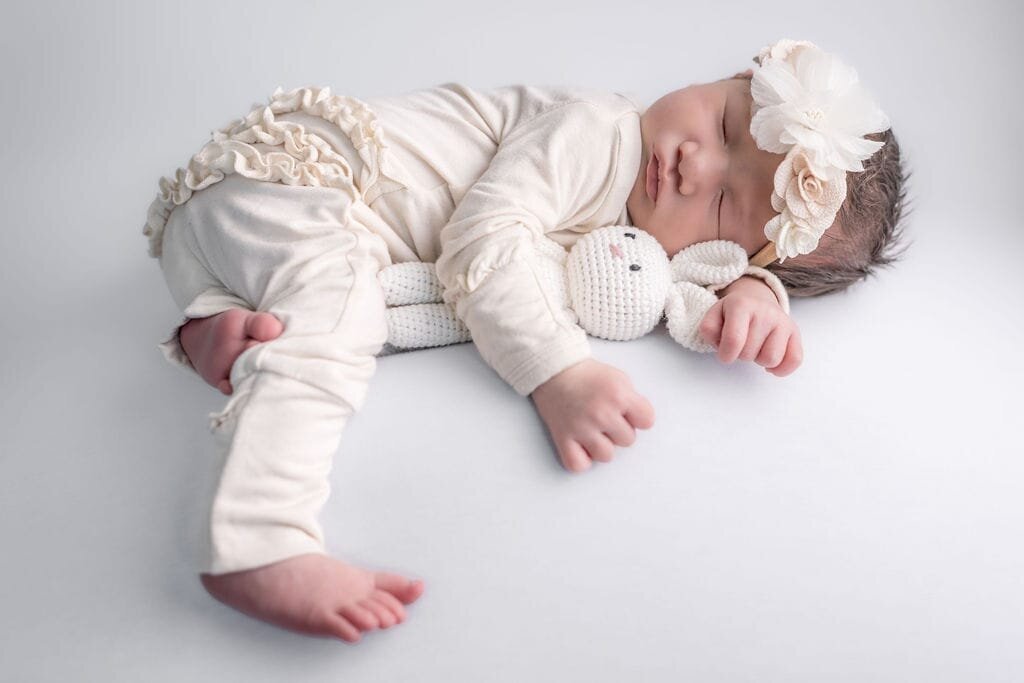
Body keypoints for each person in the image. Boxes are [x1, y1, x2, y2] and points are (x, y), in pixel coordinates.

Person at [144, 39, 908, 643]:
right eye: (723, 123)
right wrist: (557, 370)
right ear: (731, 78)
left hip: (223, 239)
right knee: (341, 319)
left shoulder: (652, 222)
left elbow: (668, 269)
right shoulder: (602, 135)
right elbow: (486, 240)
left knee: (318, 302)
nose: (692, 163)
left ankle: (223, 326)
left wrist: (754, 291)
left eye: (723, 205)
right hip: (298, 183)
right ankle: (257, 538)